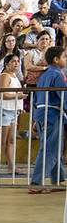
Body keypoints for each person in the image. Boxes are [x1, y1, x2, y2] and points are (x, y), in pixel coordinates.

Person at [29, 46, 67, 192]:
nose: (66, 59)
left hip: (40, 113)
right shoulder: (59, 75)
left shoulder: (43, 75)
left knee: (53, 147)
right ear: (56, 60)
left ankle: (56, 181)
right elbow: (63, 95)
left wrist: (34, 119)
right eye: (64, 57)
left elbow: (37, 97)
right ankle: (37, 183)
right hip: (52, 114)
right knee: (51, 148)